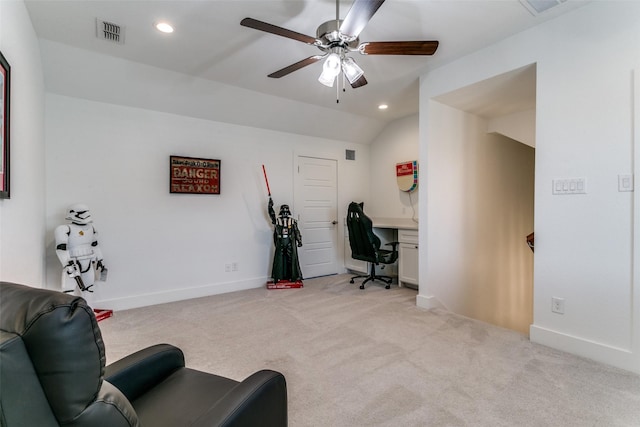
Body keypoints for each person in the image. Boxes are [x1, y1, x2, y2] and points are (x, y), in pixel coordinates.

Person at [54, 203, 107, 293]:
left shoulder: (92, 228)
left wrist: (100, 260)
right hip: (73, 263)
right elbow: (61, 248)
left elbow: (95, 245)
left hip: (88, 261)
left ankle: (89, 307)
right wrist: (67, 264)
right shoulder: (64, 229)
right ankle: (70, 307)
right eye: (82, 212)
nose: (85, 215)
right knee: (69, 291)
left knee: (89, 288)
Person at [268, 197, 303, 283]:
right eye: (283, 212)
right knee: (279, 260)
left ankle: (293, 276)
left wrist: (299, 240)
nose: (285, 214)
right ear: (281, 213)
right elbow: (272, 215)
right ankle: (278, 277)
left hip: (290, 242)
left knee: (291, 259)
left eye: (286, 212)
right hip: (280, 242)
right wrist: (270, 206)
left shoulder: (292, 221)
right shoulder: (277, 221)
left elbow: (297, 231)